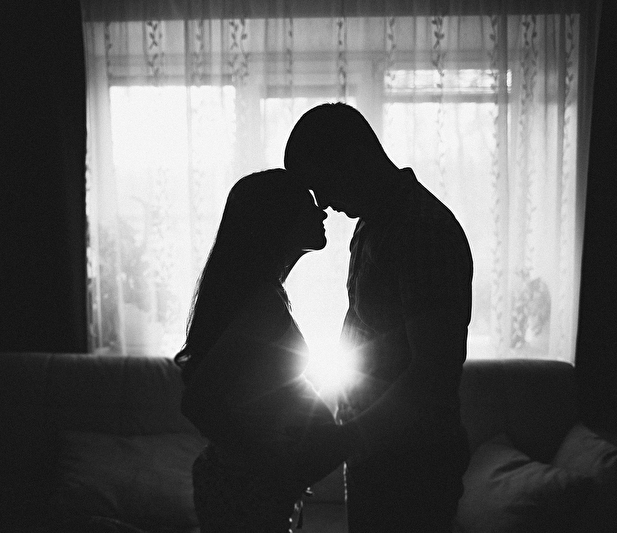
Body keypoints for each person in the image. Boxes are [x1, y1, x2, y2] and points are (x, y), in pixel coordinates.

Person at [284, 102, 473, 532]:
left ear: (351, 159)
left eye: (320, 184)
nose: (323, 203)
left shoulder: (423, 230)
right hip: (376, 454)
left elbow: (431, 375)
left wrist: (343, 440)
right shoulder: (373, 223)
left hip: (414, 466)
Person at [174, 169, 350, 533]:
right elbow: (198, 402)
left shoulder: (265, 295)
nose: (322, 211)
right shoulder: (262, 305)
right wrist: (270, 467)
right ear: (277, 219)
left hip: (245, 487)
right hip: (242, 492)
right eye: (307, 205)